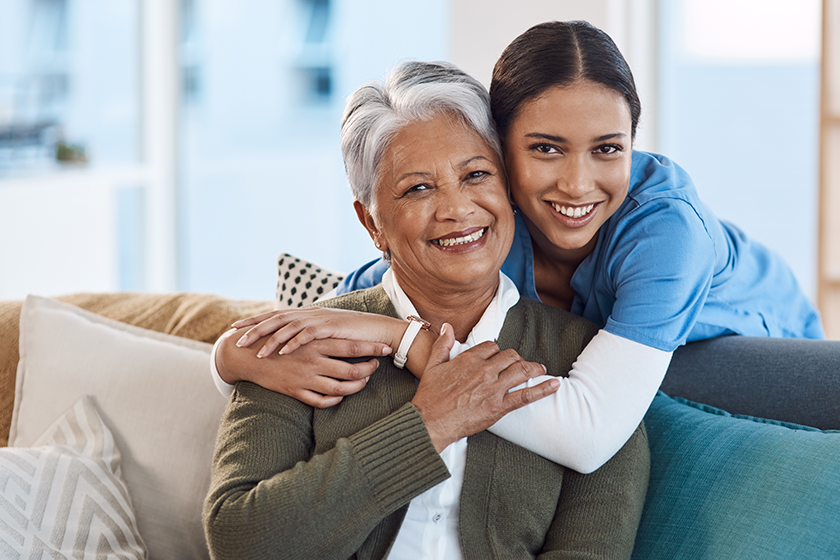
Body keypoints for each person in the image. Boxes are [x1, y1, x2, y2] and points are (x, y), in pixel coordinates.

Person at [224, 19, 823, 472]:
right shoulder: (489, 224)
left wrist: (400, 340)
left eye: (608, 148)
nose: (577, 184)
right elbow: (344, 306)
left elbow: (586, 437)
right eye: (545, 148)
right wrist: (227, 357)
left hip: (755, 353)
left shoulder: (665, 231)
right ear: (499, 152)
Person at [203, 60, 649, 560]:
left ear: (510, 188)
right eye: (418, 188)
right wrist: (428, 425)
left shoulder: (588, 369)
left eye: (476, 175)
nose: (456, 210)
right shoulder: (302, 343)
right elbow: (239, 541)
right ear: (371, 222)